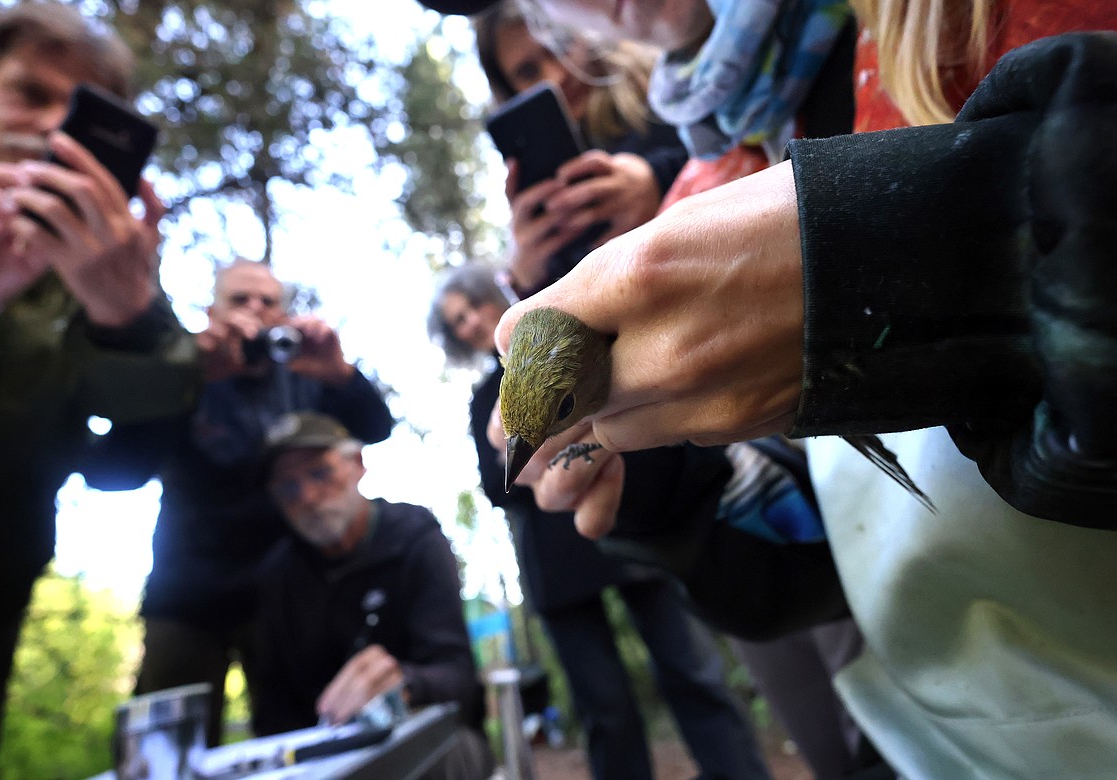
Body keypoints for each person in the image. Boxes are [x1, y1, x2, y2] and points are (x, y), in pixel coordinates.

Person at [426, 0, 1117, 775]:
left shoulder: (984, 20)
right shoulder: (705, 186)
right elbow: (850, 553)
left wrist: (902, 255)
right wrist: (677, 491)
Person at [0, 4, 200, 777]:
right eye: (30, 93)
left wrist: (126, 323)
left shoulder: (101, 262)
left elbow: (128, 460)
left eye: (81, 111)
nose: (54, 128)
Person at [431, 263, 775, 780]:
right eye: (456, 322)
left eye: (471, 308)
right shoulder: (484, 401)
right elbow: (496, 487)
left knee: (693, 672)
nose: (470, 324)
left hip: (633, 533)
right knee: (604, 705)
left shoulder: (581, 332)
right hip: (557, 563)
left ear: (491, 297)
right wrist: (532, 466)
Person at [84, 258, 395, 747]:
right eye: (240, 300)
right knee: (167, 751)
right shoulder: (186, 373)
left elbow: (376, 428)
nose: (255, 310)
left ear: (284, 315)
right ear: (211, 311)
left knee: (298, 738)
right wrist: (184, 378)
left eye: (268, 301)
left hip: (282, 596)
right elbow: (115, 473)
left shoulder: (304, 376)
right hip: (187, 597)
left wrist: (338, 374)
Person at [253, 410, 494, 780]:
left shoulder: (414, 539)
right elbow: (271, 713)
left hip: (426, 742)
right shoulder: (277, 576)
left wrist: (406, 683)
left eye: (320, 472)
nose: (309, 497)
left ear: (357, 464)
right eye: (288, 488)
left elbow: (460, 681)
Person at [474, 0, 689, 298]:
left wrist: (657, 180)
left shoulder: (669, 79)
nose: (556, 74)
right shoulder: (542, 186)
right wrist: (527, 278)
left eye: (560, 45)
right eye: (528, 72)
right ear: (510, 91)